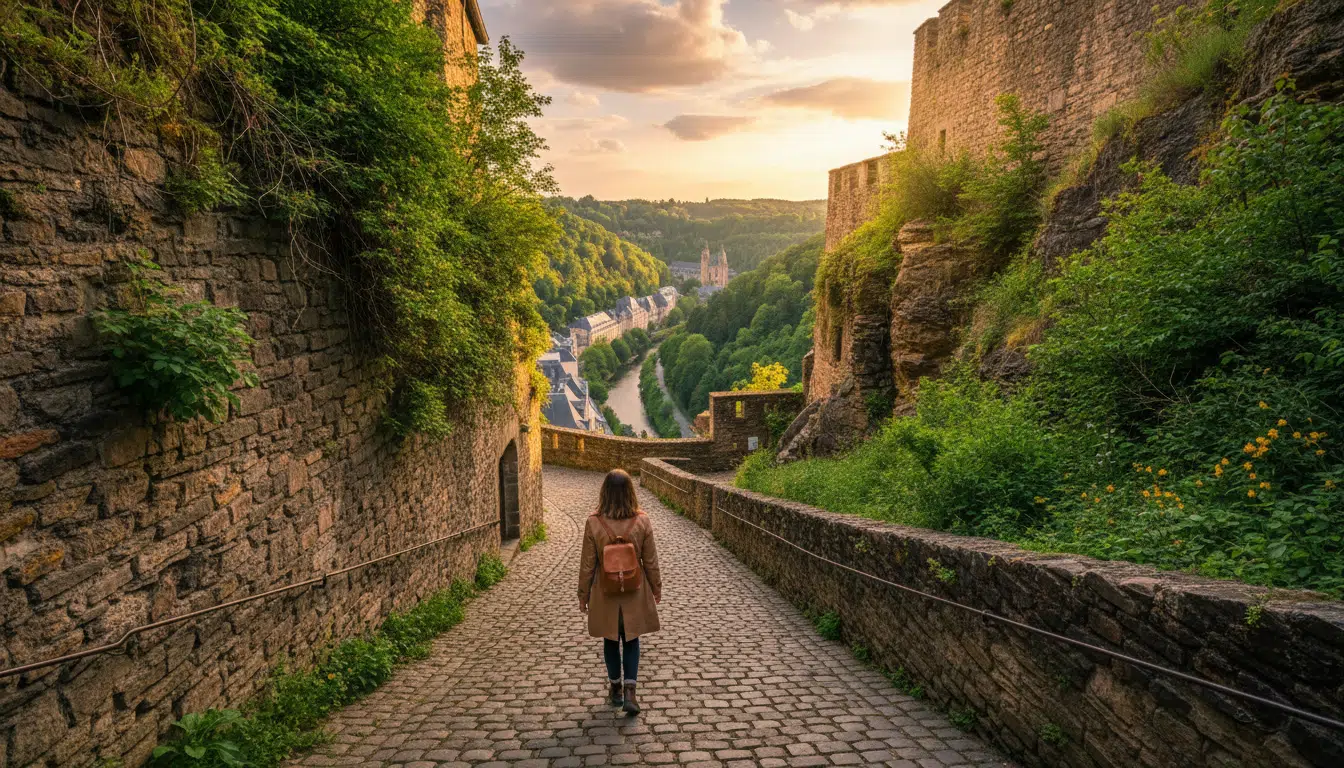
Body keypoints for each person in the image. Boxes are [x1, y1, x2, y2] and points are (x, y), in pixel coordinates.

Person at [578, 469, 662, 714]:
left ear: (604, 492)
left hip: (605, 592)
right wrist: (656, 588)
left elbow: (587, 564)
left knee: (611, 639)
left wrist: (583, 595)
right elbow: (651, 561)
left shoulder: (594, 522)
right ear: (630, 493)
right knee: (632, 639)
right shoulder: (642, 521)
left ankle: (615, 688)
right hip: (634, 591)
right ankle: (630, 693)